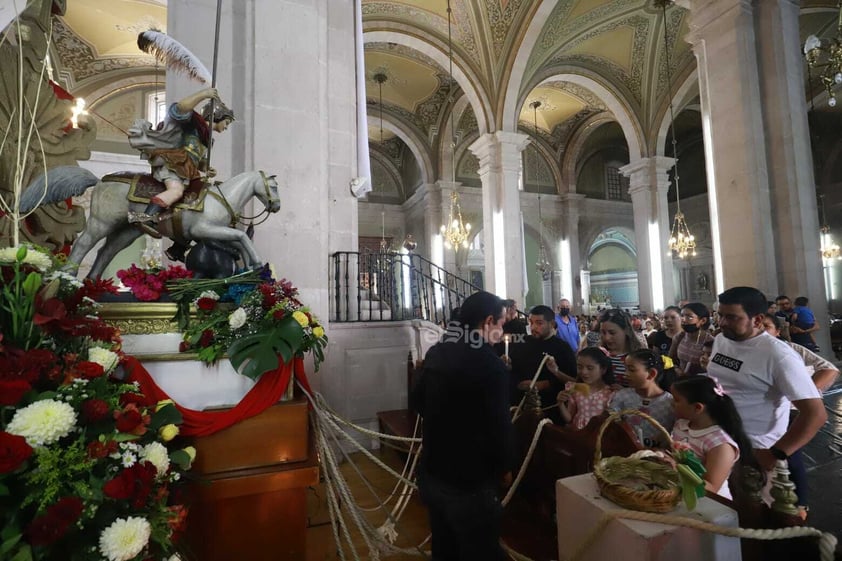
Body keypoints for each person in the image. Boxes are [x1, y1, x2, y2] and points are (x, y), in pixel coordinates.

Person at [409, 291, 513, 560]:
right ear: (488, 321)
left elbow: (417, 401)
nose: (501, 331)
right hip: (471, 480)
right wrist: (505, 467)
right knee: (482, 551)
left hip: (434, 469)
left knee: (445, 548)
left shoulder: (438, 351)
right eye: (501, 324)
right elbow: (499, 428)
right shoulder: (492, 367)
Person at [708, 287, 826, 488]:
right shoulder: (721, 339)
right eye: (720, 315)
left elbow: (816, 414)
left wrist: (776, 453)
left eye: (732, 317)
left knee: (755, 512)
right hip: (720, 440)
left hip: (756, 447)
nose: (722, 323)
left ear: (757, 319)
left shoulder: (779, 355)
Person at [128, 87, 235, 246]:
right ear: (217, 116)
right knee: (176, 191)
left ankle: (180, 242)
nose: (226, 127)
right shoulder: (194, 123)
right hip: (175, 163)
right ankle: (146, 218)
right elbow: (180, 109)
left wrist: (206, 167)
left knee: (194, 203)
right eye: (226, 122)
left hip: (187, 170)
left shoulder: (206, 137)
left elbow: (198, 158)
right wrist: (203, 94)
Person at [762, 312, 839, 517]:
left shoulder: (790, 349)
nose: (762, 333)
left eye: (767, 327)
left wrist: (806, 393)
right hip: (766, 413)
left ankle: (801, 505)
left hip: (789, 412)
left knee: (789, 456)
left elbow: (829, 369)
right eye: (758, 327)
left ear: (777, 331)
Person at [671, 376, 757, 499]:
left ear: (697, 407)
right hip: (679, 491)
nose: (671, 403)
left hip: (708, 502)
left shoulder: (720, 444)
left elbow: (711, 488)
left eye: (676, 400)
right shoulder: (682, 424)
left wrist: (676, 469)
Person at [507, 305, 577, 421]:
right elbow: (514, 367)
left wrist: (545, 384)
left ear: (551, 324)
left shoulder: (562, 348)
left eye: (539, 323)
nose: (533, 327)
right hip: (522, 404)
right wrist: (508, 366)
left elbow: (571, 379)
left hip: (549, 407)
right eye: (531, 322)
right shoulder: (523, 342)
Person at [608, 348, 675, 448]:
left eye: (631, 370)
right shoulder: (622, 396)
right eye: (625, 369)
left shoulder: (669, 402)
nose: (625, 374)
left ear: (651, 374)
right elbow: (612, 417)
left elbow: (671, 432)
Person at [556, 347, 615, 429]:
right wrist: (560, 403)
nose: (584, 372)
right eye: (580, 367)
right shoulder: (576, 389)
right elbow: (569, 419)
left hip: (599, 436)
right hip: (578, 434)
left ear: (603, 369)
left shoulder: (611, 393)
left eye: (590, 368)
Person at [598, 308, 643, 387]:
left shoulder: (639, 357)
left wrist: (624, 392)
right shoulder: (598, 355)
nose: (607, 338)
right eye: (603, 332)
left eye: (612, 333)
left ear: (626, 330)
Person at [668, 302, 714, 376]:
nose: (683, 320)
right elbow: (669, 359)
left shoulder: (710, 341)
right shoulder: (679, 337)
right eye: (682, 316)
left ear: (703, 320)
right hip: (680, 380)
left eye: (689, 317)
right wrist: (677, 369)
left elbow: (713, 368)